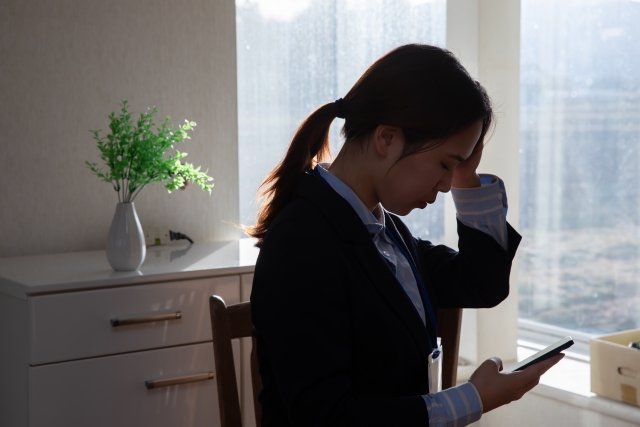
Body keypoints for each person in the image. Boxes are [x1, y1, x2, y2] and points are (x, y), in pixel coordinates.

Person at [247, 44, 562, 427]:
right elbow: (327, 417)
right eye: (445, 165)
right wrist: (472, 399)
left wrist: (467, 178)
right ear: (387, 139)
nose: (447, 186)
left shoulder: (384, 230)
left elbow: (481, 284)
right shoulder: (303, 245)